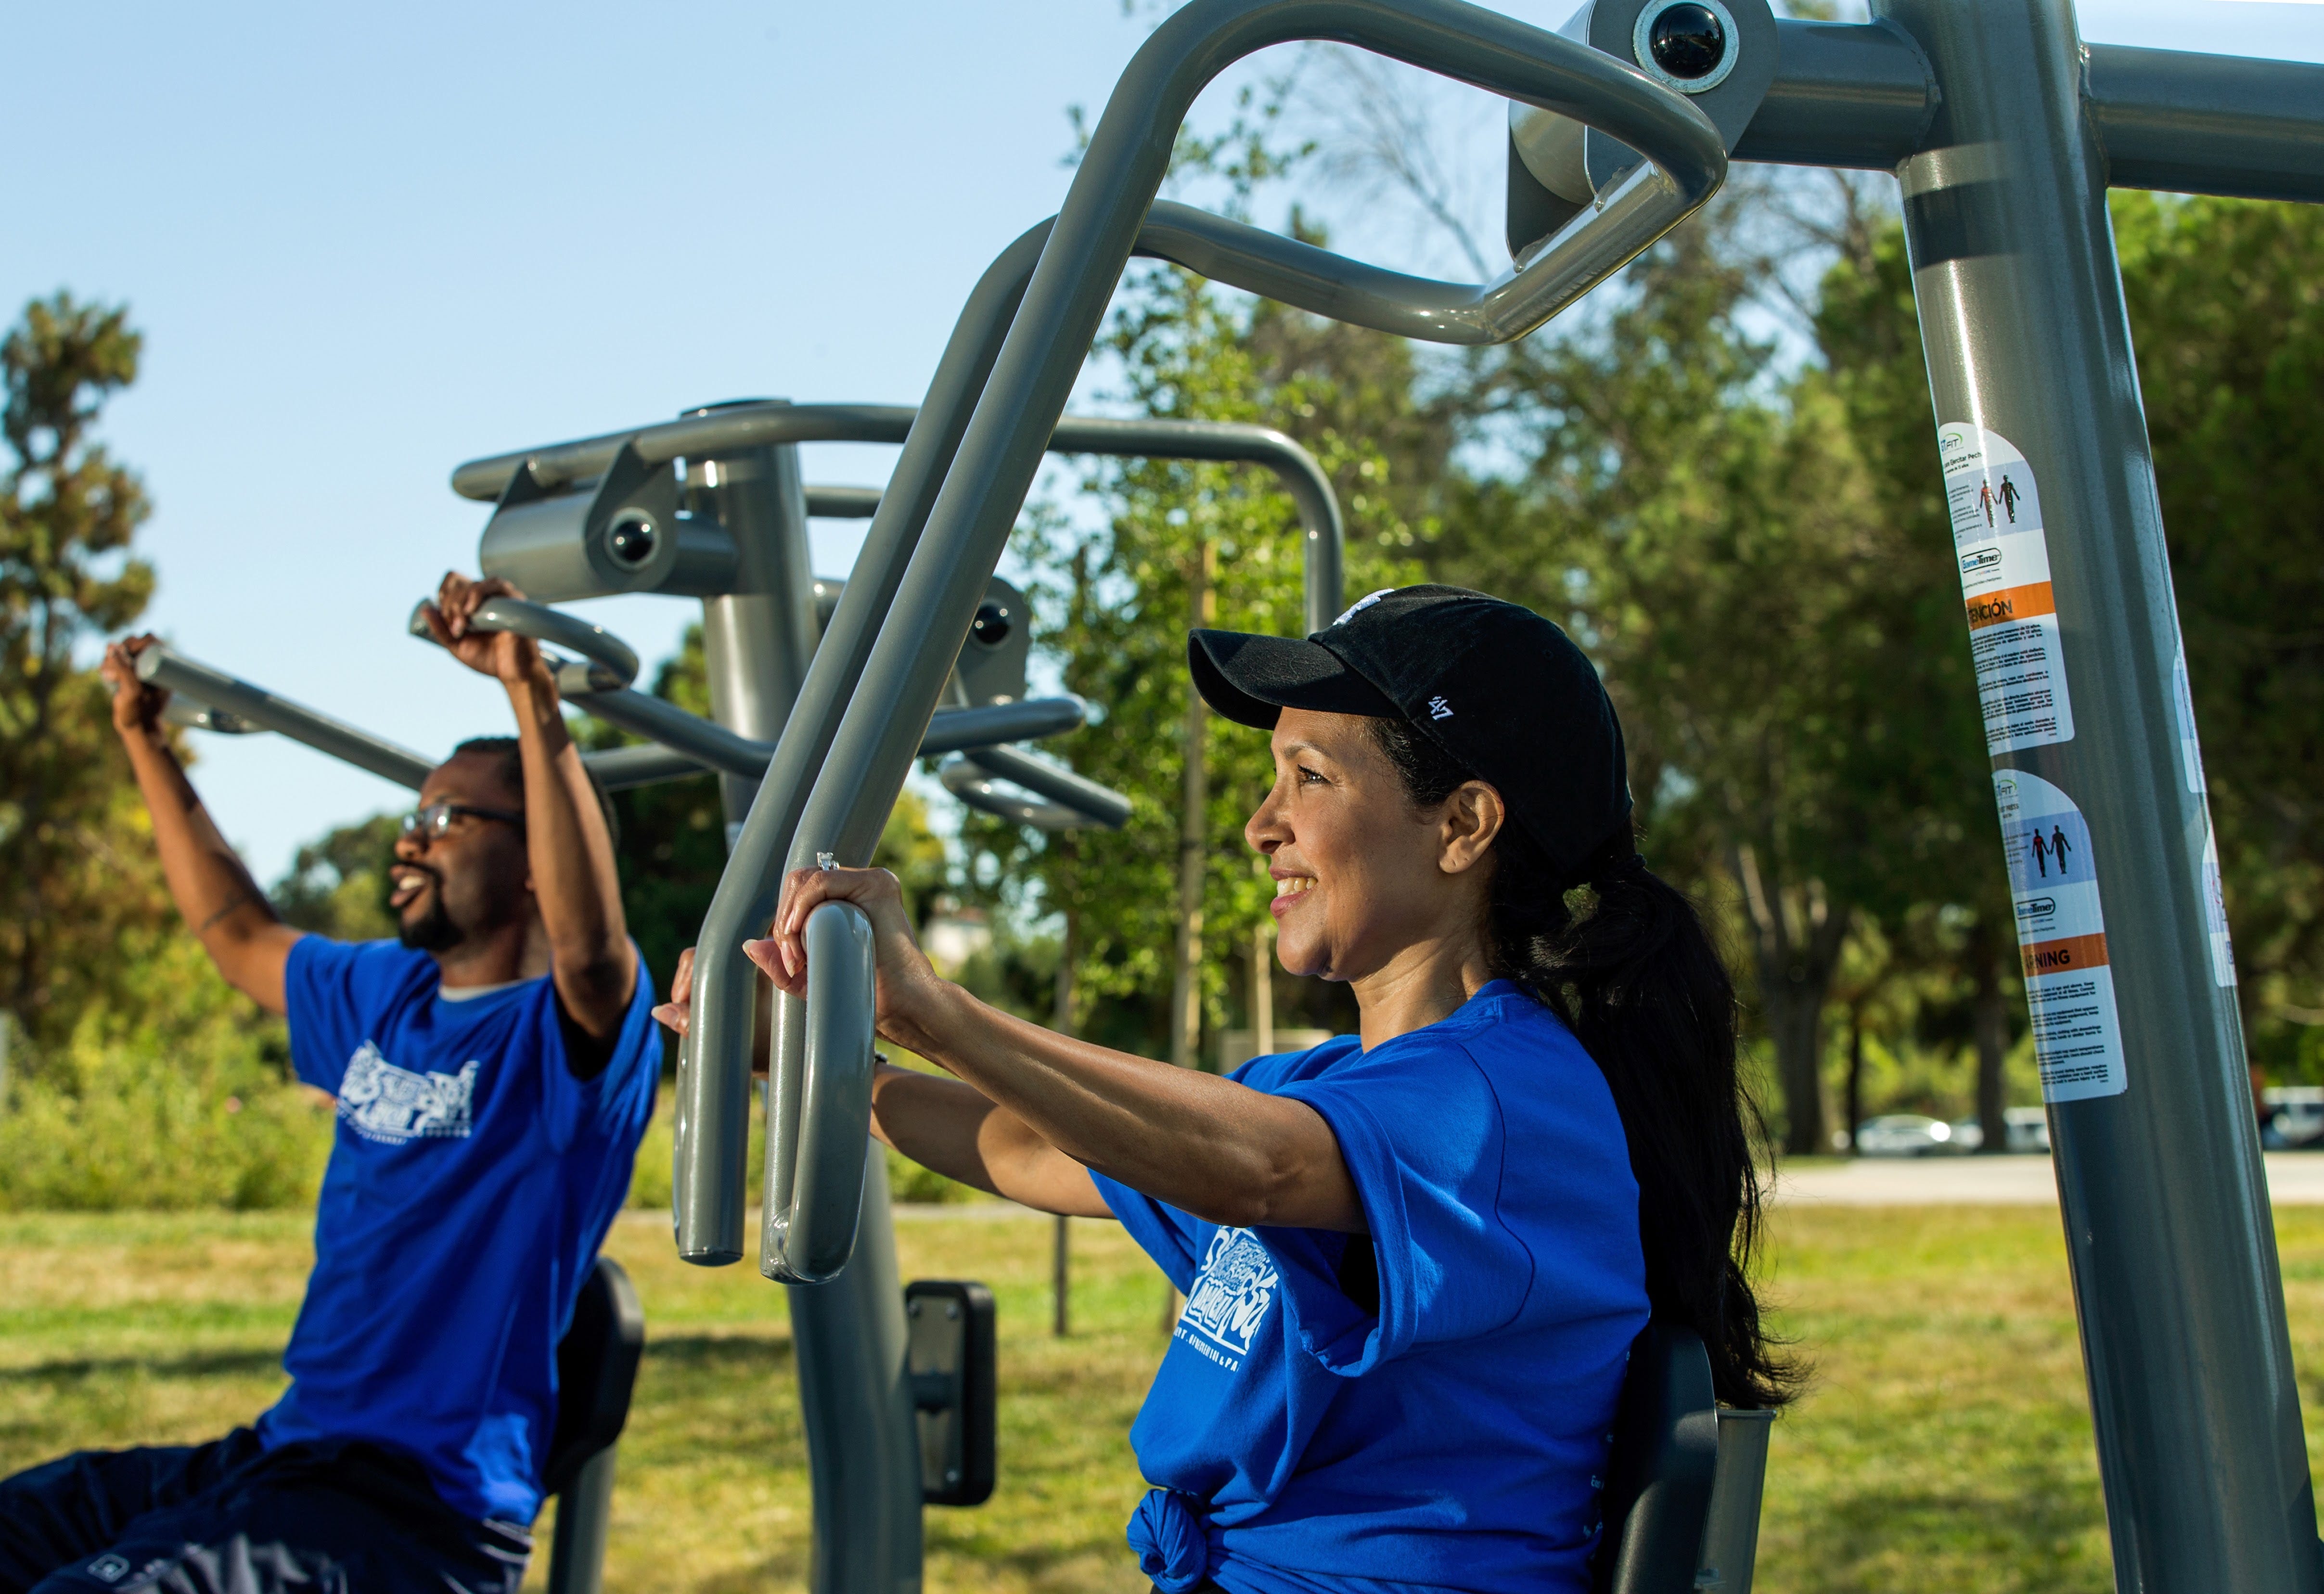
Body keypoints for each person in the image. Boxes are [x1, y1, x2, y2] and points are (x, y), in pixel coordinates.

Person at [658, 584, 1791, 1594]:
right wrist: (829, 1057)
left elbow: (1257, 1167)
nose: (1263, 826)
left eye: (1310, 776)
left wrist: (937, 1010)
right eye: (1269, 779)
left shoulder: (1503, 1096)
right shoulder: (1326, 1090)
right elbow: (1043, 1150)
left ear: (1463, 827)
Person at [0, 574, 661, 1594]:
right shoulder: (383, 994)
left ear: (538, 862)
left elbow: (589, 948)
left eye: (448, 819)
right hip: (284, 1455)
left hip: (417, 1516)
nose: (412, 836)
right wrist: (145, 738)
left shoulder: (568, 1039)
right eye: (415, 812)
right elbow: (239, 934)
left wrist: (529, 691)